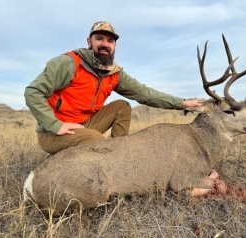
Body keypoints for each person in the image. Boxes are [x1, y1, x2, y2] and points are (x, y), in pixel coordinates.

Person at [24, 21, 202, 154]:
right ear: (89, 41)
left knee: (122, 107)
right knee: (95, 140)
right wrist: (55, 125)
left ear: (114, 45)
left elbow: (144, 93)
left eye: (110, 40)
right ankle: (99, 160)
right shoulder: (69, 63)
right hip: (53, 133)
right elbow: (33, 92)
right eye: (99, 38)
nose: (104, 44)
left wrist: (182, 103)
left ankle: (118, 156)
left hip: (83, 125)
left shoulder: (114, 73)